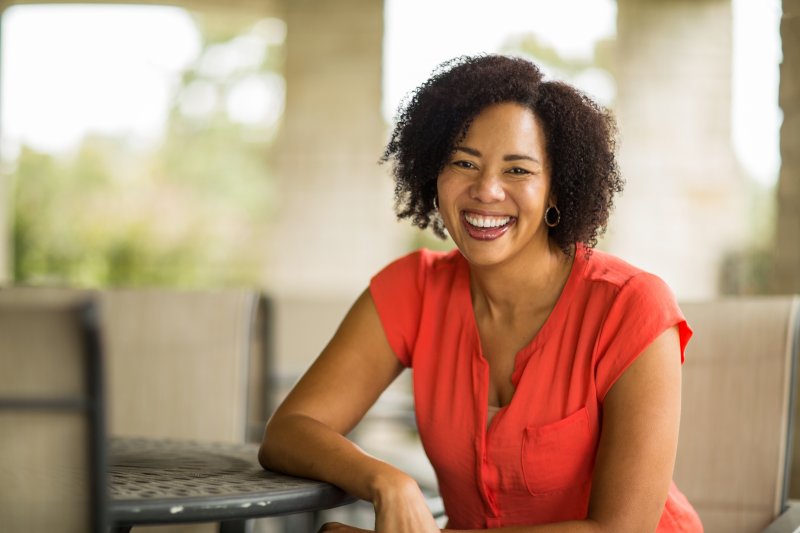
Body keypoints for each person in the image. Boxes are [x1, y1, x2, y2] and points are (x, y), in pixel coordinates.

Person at [259, 54, 703, 532]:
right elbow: (289, 431)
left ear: (557, 191)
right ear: (434, 174)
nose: (486, 190)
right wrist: (388, 481)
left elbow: (620, 531)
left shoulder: (630, 306)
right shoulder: (415, 290)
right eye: (464, 163)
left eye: (518, 171)